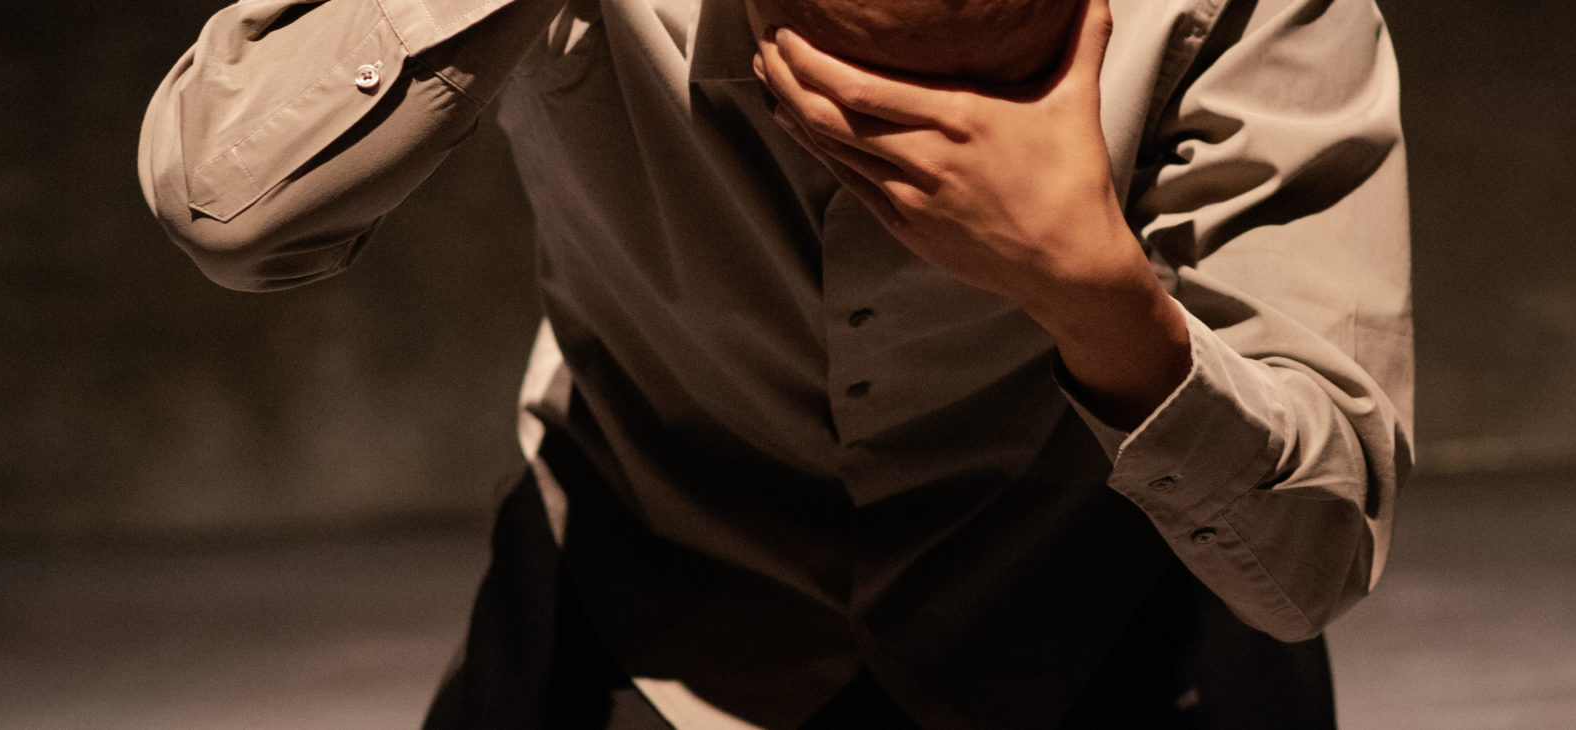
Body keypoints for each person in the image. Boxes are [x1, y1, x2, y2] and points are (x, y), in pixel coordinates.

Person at [139, 0, 1412, 727]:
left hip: (1101, 616)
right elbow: (228, 206)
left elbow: (1313, 552)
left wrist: (1095, 295)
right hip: (647, 591)